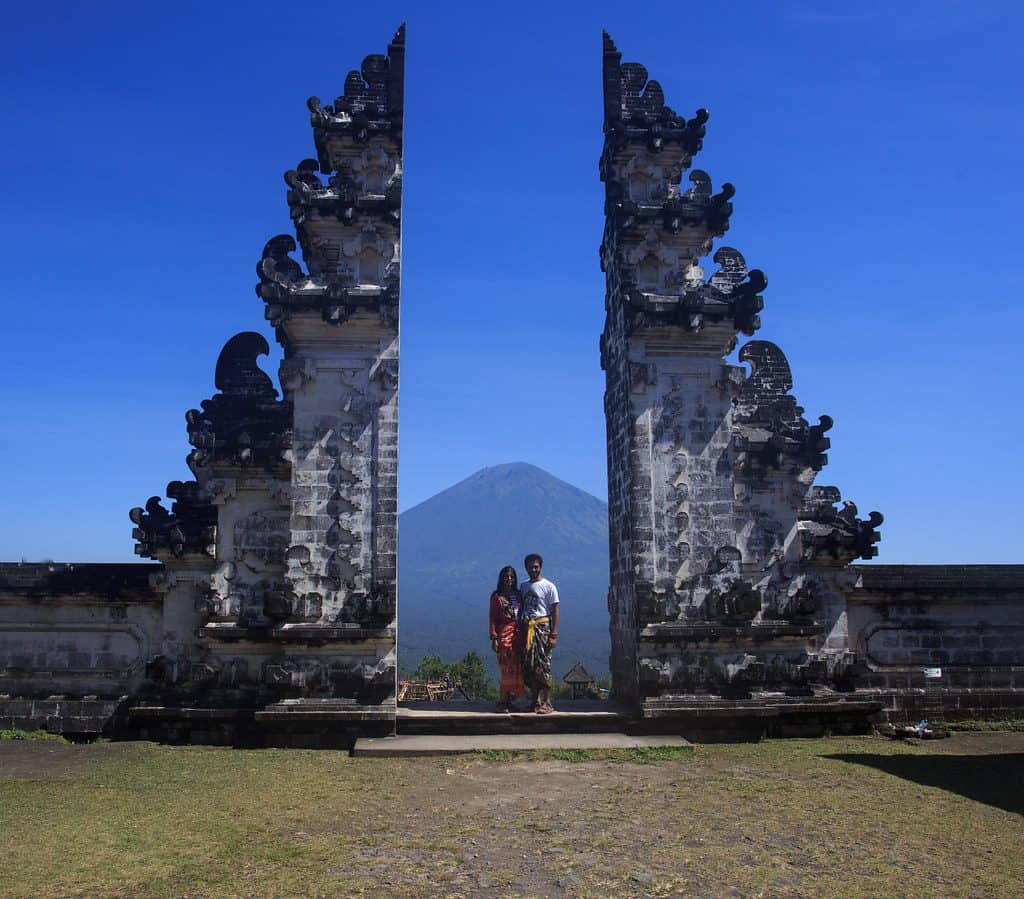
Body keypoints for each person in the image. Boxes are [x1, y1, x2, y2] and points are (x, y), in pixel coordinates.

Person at [519, 553, 560, 715]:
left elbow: (555, 610)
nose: (533, 570)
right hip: (526, 629)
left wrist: (554, 634)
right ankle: (535, 701)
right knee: (529, 666)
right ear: (526, 568)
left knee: (543, 664)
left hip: (542, 629)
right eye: (530, 567)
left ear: (541, 567)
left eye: (536, 567)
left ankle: (547, 701)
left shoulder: (549, 586)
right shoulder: (523, 586)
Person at [489, 565, 525, 712]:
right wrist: (494, 637)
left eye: (511, 577)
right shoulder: (497, 597)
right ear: (501, 579)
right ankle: (502, 701)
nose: (509, 579)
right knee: (506, 669)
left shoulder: (518, 595)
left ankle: (510, 701)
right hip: (504, 635)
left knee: (517, 669)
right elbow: (492, 618)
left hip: (518, 635)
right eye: (506, 577)